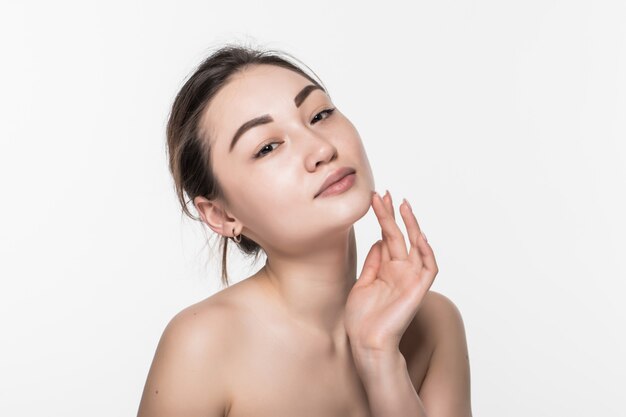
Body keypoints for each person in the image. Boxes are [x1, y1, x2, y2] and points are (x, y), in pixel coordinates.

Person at [137, 44, 472, 417]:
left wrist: (380, 359)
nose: (321, 149)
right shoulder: (203, 347)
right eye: (267, 147)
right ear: (219, 214)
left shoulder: (434, 324)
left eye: (320, 114)